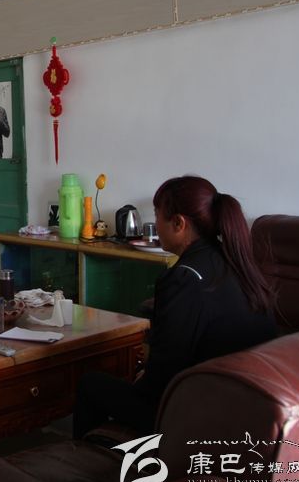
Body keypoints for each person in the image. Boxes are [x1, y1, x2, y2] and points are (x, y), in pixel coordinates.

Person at [72, 175, 277, 438]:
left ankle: (92, 460)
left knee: (90, 384)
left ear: (179, 223)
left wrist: (145, 377)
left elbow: (162, 377)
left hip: (193, 414)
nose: (156, 225)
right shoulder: (237, 261)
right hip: (246, 405)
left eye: (158, 216)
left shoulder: (183, 279)